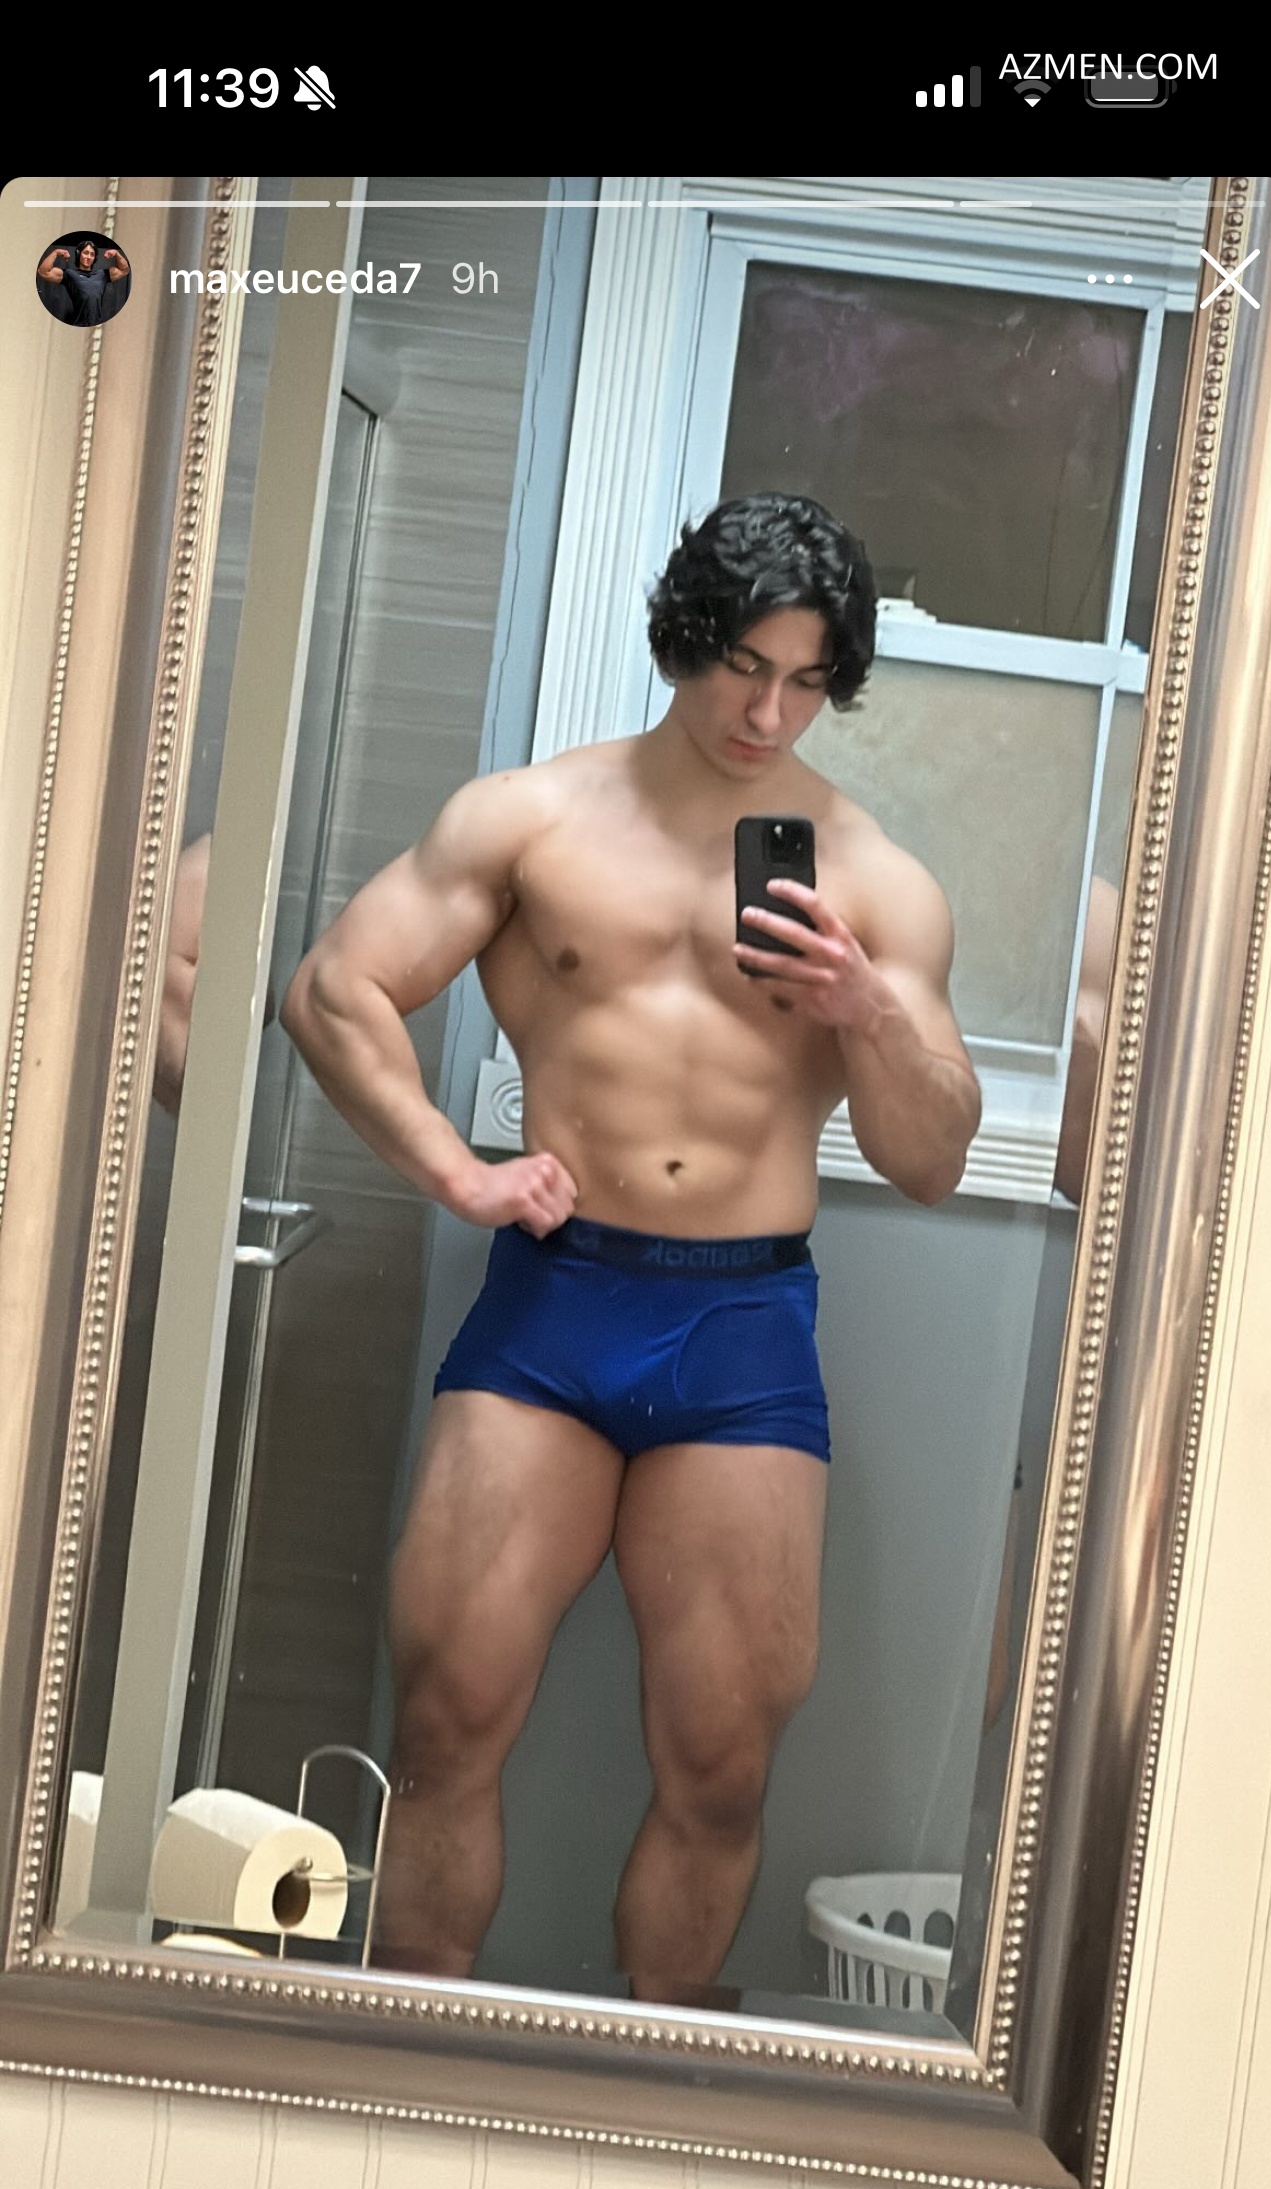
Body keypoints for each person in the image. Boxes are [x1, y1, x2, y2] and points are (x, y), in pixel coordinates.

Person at [282, 493, 982, 2000]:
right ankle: (406, 2070)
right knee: (446, 1723)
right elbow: (335, 991)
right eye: (744, 665)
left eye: (805, 682)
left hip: (741, 1329)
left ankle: (653, 2084)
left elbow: (930, 1162)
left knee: (721, 1770)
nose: (767, 713)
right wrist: (454, 1172)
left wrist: (864, 1010)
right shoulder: (529, 821)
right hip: (555, 1302)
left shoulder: (874, 882)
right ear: (683, 641)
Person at [36, 237, 130, 325]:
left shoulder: (103, 275)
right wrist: (56, 252)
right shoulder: (69, 274)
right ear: (78, 254)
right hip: (78, 324)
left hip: (97, 324)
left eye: (92, 254)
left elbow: (124, 270)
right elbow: (43, 272)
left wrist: (117, 254)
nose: (89, 257)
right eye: (86, 253)